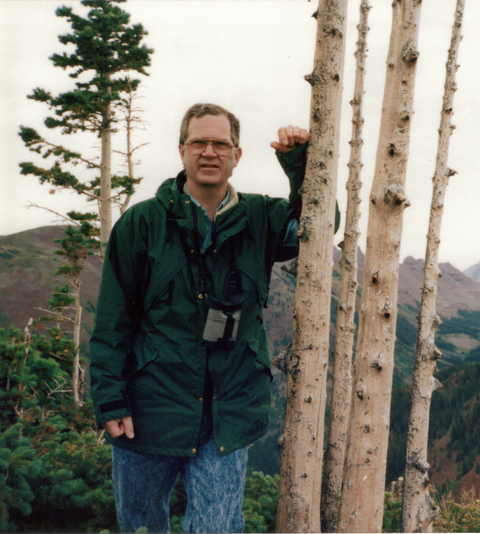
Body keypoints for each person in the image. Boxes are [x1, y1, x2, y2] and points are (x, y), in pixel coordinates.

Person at [89, 103, 310, 533]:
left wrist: (299, 164)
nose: (209, 152)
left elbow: (319, 224)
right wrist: (110, 399)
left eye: (221, 143)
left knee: (216, 527)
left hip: (227, 413)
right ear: (182, 150)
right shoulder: (142, 224)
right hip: (148, 409)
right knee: (140, 525)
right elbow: (112, 322)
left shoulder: (262, 218)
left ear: (237, 154)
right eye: (198, 143)